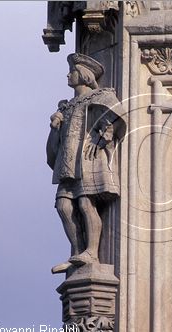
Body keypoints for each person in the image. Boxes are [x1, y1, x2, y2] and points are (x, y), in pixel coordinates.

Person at [47, 53, 126, 274]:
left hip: (88, 159)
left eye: (72, 71)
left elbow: (117, 118)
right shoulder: (65, 107)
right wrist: (55, 128)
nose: (68, 75)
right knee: (63, 206)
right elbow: (55, 145)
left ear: (83, 75)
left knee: (85, 203)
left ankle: (91, 252)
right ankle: (77, 252)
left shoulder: (101, 96)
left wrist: (103, 138)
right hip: (68, 163)